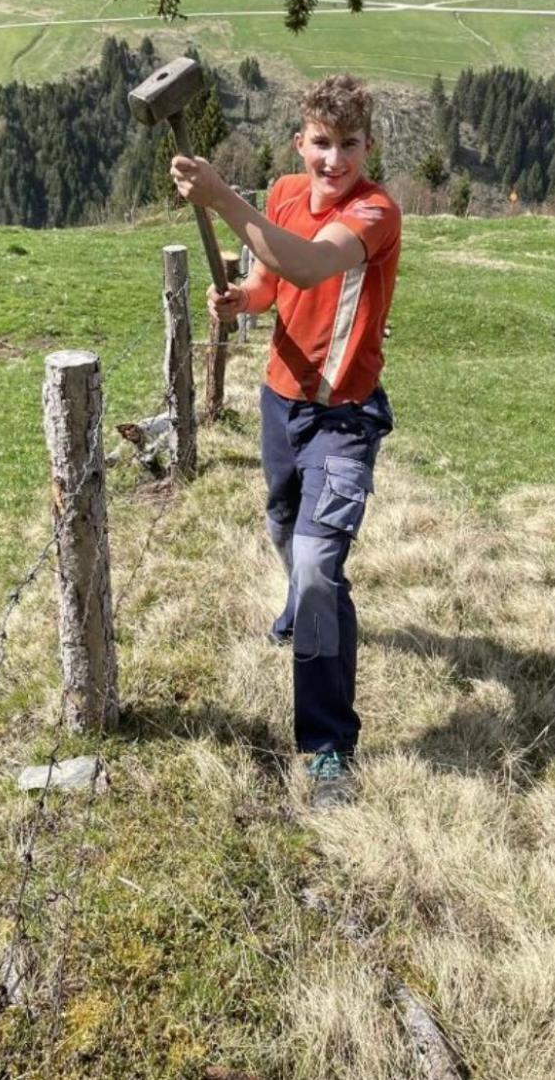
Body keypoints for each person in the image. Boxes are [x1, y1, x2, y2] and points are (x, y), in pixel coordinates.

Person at [169, 75, 401, 807]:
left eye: (349, 145)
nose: (332, 160)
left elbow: (308, 261)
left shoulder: (374, 213)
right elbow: (276, 279)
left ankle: (328, 748)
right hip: (279, 398)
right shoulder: (280, 192)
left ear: (368, 147)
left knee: (316, 569)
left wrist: (218, 200)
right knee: (280, 523)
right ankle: (303, 606)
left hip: (343, 417)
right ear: (300, 141)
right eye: (321, 143)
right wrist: (243, 298)